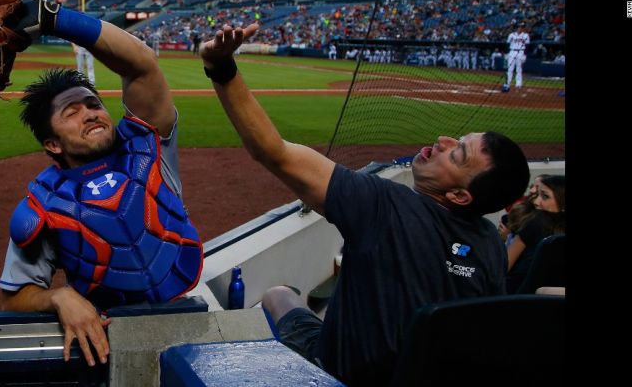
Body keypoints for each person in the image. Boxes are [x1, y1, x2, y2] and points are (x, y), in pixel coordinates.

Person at [198, 23, 530, 385]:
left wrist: (221, 67)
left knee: (278, 294)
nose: (444, 140)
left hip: (335, 374)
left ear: (460, 196)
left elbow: (272, 151)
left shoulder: (383, 204)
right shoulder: (490, 244)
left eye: (457, 153)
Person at [0, 0, 204, 368]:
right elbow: (15, 294)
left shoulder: (148, 147)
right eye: (71, 113)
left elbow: (141, 64)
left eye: (93, 104)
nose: (90, 114)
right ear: (52, 144)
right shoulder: (45, 202)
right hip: (110, 337)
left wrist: (54, 19)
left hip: (190, 310)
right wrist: (58, 297)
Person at [505, 175, 565, 293]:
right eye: (538, 194)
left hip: (518, 295)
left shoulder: (537, 220)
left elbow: (504, 265)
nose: (536, 201)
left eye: (545, 196)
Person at [503, 22, 530, 92]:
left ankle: (518, 84)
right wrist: (507, 53)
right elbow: (507, 44)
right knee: (510, 68)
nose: (520, 28)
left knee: (519, 69)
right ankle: (507, 84)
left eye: (522, 27)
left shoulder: (526, 35)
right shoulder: (511, 35)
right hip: (512, 51)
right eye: (519, 27)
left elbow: (527, 46)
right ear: (517, 28)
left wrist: (525, 55)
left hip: (521, 52)